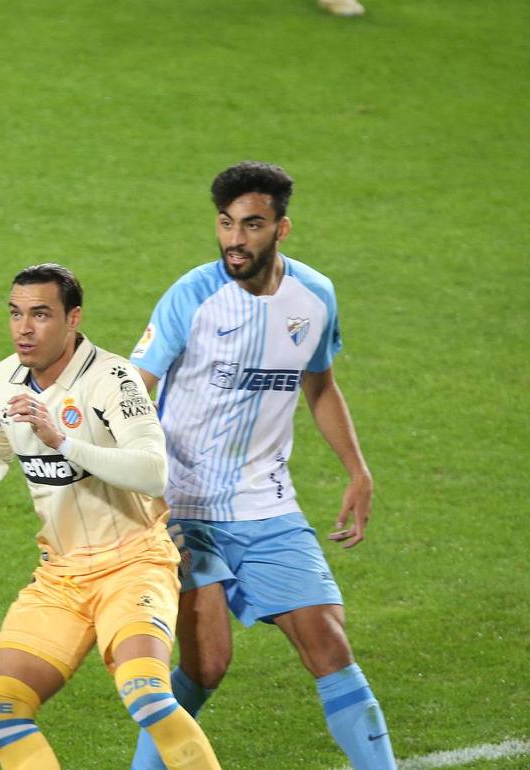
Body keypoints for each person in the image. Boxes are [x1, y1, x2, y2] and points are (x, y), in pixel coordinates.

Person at [127, 161, 395, 770]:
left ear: (282, 228)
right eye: (225, 224)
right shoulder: (192, 295)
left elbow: (319, 385)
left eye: (251, 225)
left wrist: (358, 470)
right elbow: (133, 390)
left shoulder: (314, 297)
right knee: (208, 664)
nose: (234, 239)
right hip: (183, 507)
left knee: (330, 645)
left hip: (268, 505)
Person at [0, 264, 222, 770]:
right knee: (1, 709)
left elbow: (154, 472)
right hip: (63, 576)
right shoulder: (3, 381)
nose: (24, 328)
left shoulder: (114, 379)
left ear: (73, 319)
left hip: (134, 563)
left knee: (148, 698)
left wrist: (64, 441)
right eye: (16, 313)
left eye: (40, 314)